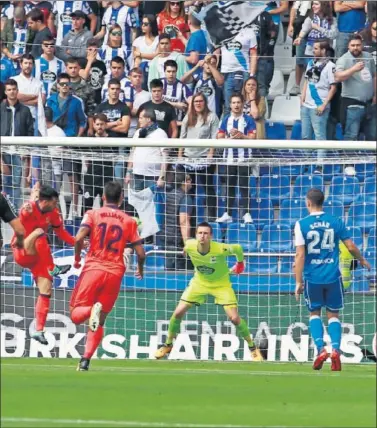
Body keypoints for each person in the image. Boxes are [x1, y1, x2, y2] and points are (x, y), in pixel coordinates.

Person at [154, 221, 264, 361]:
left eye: (206, 233)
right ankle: (167, 344)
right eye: (200, 233)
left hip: (221, 284)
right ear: (196, 235)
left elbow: (237, 248)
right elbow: (186, 248)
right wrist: (185, 250)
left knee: (234, 318)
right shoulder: (190, 245)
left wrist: (240, 263)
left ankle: (253, 348)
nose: (202, 236)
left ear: (211, 236)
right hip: (199, 283)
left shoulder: (220, 248)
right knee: (178, 312)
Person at [71, 181, 145, 371]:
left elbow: (79, 238)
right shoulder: (129, 221)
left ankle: (90, 311)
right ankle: (85, 360)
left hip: (94, 268)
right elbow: (141, 253)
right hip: (115, 272)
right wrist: (140, 269)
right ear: (121, 198)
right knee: (100, 320)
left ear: (103, 197)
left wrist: (77, 258)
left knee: (76, 314)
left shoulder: (92, 214)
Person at [294, 188, 371, 371]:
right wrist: (361, 260)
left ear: (308, 202)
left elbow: (300, 255)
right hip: (333, 277)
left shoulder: (301, 224)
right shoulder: (335, 221)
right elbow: (350, 245)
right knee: (333, 316)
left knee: (314, 314)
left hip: (313, 278)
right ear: (323, 202)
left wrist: (298, 281)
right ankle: (335, 350)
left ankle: (321, 349)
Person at [12, 185, 75, 345]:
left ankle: (38, 330)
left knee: (46, 291)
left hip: (39, 256)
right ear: (45, 201)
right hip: (22, 249)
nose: (56, 205)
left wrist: (77, 242)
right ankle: (53, 268)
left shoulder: (53, 213)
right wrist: (29, 201)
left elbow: (61, 232)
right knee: (40, 233)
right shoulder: (28, 210)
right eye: (54, 202)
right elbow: (22, 225)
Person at [47, 73, 87, 218]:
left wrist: (77, 137)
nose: (65, 86)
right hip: (54, 144)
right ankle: (55, 209)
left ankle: (75, 210)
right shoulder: (50, 100)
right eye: (62, 83)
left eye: (67, 84)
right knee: (56, 177)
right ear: (57, 85)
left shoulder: (77, 102)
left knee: (73, 177)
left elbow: (83, 121)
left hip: (70, 143)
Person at [216, 93, 256, 224]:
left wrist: (241, 136)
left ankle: (246, 213)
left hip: (244, 159)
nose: (236, 105)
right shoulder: (225, 119)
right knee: (229, 186)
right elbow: (219, 137)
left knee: (244, 187)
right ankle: (228, 213)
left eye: (238, 102)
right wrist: (230, 138)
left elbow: (253, 138)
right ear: (230, 104)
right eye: (234, 103)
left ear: (243, 104)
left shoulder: (248, 120)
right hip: (229, 159)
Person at [178, 93, 219, 220]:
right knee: (190, 190)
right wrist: (180, 156)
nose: (198, 103)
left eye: (200, 101)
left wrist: (210, 155)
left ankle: (212, 219)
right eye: (195, 101)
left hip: (205, 159)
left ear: (205, 103)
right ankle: (191, 219)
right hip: (188, 159)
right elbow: (182, 137)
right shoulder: (188, 117)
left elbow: (214, 137)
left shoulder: (212, 117)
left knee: (208, 189)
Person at [335, 34, 376, 142]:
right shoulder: (343, 59)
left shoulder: (368, 56)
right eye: (352, 45)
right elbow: (338, 77)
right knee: (351, 136)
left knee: (372, 135)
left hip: (370, 103)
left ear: (361, 45)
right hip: (352, 105)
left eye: (358, 45)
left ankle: (371, 159)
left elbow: (374, 75)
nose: (355, 48)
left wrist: (375, 95)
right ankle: (348, 158)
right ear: (348, 46)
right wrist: (353, 69)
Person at [0, 79, 34, 209]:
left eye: (14, 89)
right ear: (5, 92)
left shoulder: (25, 110)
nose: (12, 92)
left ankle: (13, 209)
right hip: (3, 151)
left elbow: (30, 131)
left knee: (16, 182)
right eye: (9, 89)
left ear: (17, 91)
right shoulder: (0, 109)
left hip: (18, 151)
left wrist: (26, 149)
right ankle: (4, 208)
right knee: (5, 181)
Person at [300, 40, 337, 142]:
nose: (313, 51)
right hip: (306, 106)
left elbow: (333, 88)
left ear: (323, 50)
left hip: (319, 106)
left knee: (319, 137)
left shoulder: (331, 66)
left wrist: (323, 105)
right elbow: (306, 82)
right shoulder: (310, 63)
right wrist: (302, 99)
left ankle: (320, 159)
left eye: (316, 49)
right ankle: (306, 158)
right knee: (305, 137)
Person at [126, 107, 168, 191]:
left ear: (148, 119)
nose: (139, 120)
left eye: (141, 118)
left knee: (152, 203)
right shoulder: (138, 132)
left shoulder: (161, 133)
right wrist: (128, 173)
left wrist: (162, 177)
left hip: (153, 177)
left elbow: (165, 158)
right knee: (137, 202)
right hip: (137, 174)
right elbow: (132, 153)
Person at [220, 26, 257, 115]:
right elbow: (216, 51)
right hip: (227, 72)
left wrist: (251, 75)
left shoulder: (250, 32)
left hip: (245, 71)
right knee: (228, 106)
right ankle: (227, 128)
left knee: (245, 105)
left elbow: (253, 54)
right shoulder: (221, 29)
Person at [83, 114, 115, 213]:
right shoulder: (89, 140)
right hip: (91, 179)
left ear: (106, 125)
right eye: (97, 124)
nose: (99, 127)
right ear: (93, 125)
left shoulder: (114, 139)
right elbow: (86, 159)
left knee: (105, 210)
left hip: (106, 179)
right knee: (87, 208)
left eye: (102, 124)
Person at [162, 59, 192, 123]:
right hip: (161, 122)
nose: (171, 74)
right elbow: (154, 100)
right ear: (164, 71)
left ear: (176, 72)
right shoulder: (159, 83)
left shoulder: (182, 86)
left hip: (177, 123)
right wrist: (175, 104)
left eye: (173, 71)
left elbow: (192, 102)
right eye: (169, 71)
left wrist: (186, 119)